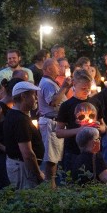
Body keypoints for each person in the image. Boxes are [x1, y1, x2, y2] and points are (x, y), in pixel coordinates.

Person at [54, 70, 107, 179]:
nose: (86, 91)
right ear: (74, 84)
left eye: (88, 88)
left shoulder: (96, 103)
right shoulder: (66, 105)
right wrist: (80, 129)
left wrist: (98, 127)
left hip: (94, 152)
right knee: (74, 184)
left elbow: (103, 127)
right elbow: (58, 132)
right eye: (83, 88)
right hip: (73, 152)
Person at [3, 81, 45, 189]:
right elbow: (27, 153)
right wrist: (38, 173)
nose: (36, 98)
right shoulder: (20, 120)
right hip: (23, 168)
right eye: (33, 95)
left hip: (20, 166)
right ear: (23, 96)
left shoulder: (16, 115)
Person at [37, 58, 69, 187]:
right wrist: (65, 87)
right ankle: (50, 189)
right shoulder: (46, 83)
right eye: (57, 65)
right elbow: (54, 102)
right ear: (49, 69)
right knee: (50, 160)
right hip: (51, 124)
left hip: (55, 123)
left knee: (54, 159)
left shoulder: (51, 82)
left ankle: (52, 187)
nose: (60, 68)